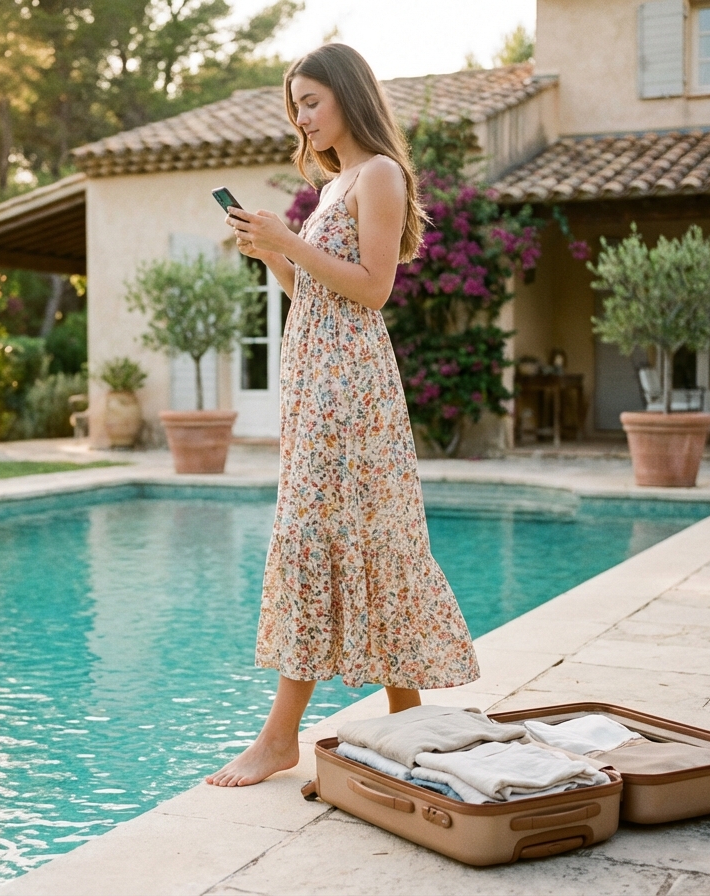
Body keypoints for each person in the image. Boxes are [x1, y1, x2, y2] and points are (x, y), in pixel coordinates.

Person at [206, 43, 480, 788]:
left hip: (350, 388)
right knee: (363, 534)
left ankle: (278, 738)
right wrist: (272, 255)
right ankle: (410, 720)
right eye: (295, 105)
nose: (301, 117)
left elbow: (373, 289)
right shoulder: (334, 186)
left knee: (322, 534)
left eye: (310, 101)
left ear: (348, 97)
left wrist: (289, 239)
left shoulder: (381, 174)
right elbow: (319, 292)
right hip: (317, 381)